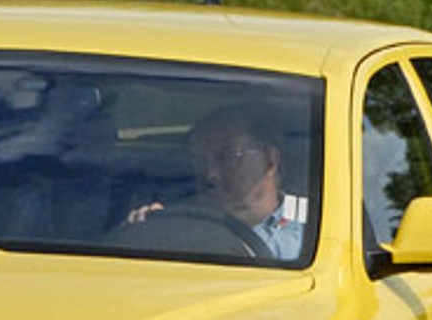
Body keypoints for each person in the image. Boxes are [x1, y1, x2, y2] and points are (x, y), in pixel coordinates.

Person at [123, 107, 307, 259]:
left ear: (270, 159)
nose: (211, 174)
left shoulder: (315, 232)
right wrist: (143, 234)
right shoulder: (176, 226)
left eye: (226, 157)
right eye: (199, 160)